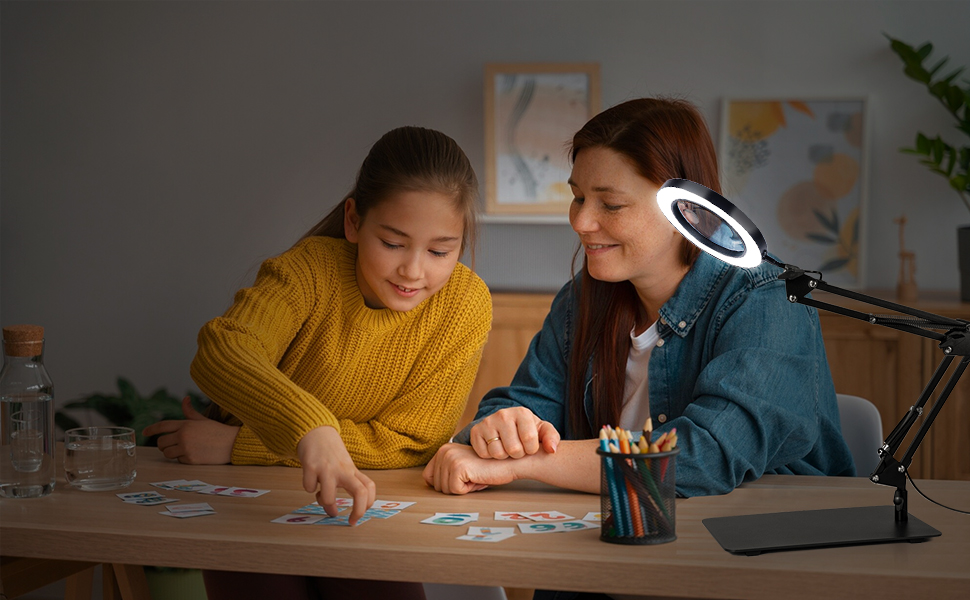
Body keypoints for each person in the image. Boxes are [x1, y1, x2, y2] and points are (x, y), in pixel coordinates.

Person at [423, 97, 854, 508]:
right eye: (578, 197)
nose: (581, 221)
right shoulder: (581, 301)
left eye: (610, 204)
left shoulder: (765, 297)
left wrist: (533, 462)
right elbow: (522, 405)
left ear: (688, 210)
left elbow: (706, 456)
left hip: (753, 557)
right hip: (614, 548)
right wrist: (498, 429)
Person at [143, 125, 492, 600]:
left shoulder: (466, 304)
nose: (413, 270)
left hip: (363, 503)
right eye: (392, 243)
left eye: (439, 251)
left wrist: (240, 445)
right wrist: (310, 431)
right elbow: (222, 348)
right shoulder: (309, 269)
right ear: (353, 221)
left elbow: (410, 444)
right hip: (250, 501)